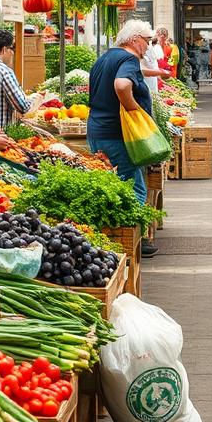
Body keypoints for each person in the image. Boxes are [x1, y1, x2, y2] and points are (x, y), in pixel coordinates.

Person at [87, 20, 159, 257]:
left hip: (97, 130)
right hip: (118, 134)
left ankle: (114, 239)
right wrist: (134, 110)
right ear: (135, 39)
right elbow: (121, 85)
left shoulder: (104, 58)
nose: (148, 47)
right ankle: (134, 241)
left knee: (113, 184)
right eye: (147, 41)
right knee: (134, 187)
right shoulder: (128, 60)